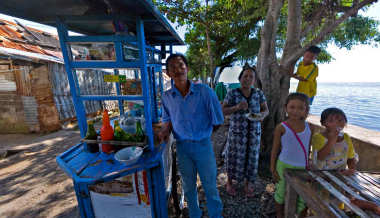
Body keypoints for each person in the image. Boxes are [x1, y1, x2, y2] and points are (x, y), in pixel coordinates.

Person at [158, 53, 224, 218]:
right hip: (182, 147)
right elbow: (168, 120)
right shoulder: (167, 97)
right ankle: (195, 214)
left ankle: (216, 215)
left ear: (187, 68)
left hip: (203, 146)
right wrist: (165, 131)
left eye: (181, 65)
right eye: (173, 67)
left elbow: (218, 120)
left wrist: (202, 135)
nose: (178, 69)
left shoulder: (205, 91)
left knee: (210, 186)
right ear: (168, 72)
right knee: (188, 186)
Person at [222, 65, 269, 197]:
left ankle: (248, 183)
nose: (247, 79)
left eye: (251, 77)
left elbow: (266, 110)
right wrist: (237, 107)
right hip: (237, 133)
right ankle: (230, 182)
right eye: (245, 76)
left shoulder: (258, 93)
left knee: (252, 158)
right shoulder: (232, 93)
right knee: (233, 157)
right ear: (240, 78)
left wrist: (262, 116)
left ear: (254, 80)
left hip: (254, 133)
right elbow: (223, 110)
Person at [270, 93, 313, 218]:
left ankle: (299, 215)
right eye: (292, 107)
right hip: (284, 166)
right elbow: (274, 149)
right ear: (286, 108)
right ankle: (279, 214)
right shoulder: (281, 127)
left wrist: (309, 163)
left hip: (302, 167)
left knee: (302, 196)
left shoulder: (309, 128)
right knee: (281, 192)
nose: (296, 111)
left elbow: (308, 147)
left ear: (306, 110)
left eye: (301, 108)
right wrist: (272, 168)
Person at [311, 107, 357, 174]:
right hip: (320, 173)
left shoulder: (346, 137)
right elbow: (320, 157)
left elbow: (350, 157)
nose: (336, 123)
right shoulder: (318, 137)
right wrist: (331, 140)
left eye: (340, 120)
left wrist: (351, 169)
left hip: (340, 174)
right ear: (323, 123)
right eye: (331, 121)